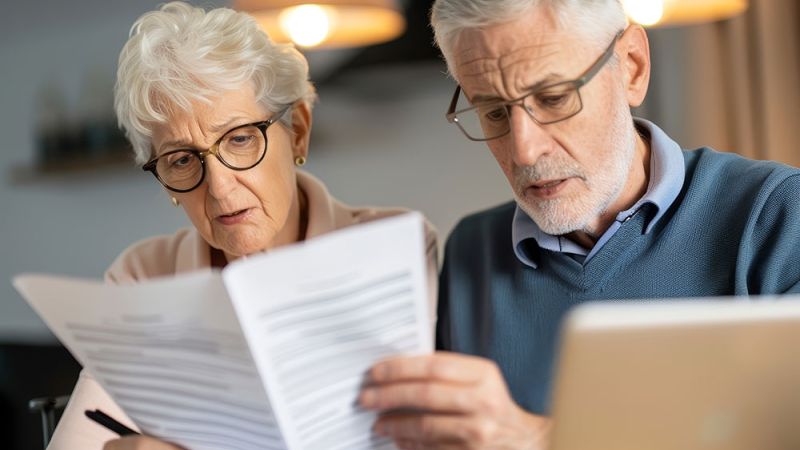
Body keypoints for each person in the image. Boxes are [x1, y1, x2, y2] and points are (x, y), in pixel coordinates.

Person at [357, 0, 800, 448]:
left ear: (631, 67)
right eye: (493, 112)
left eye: (553, 98)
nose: (524, 150)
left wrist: (541, 439)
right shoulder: (472, 248)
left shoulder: (777, 214)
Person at [47, 2, 437, 449]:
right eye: (181, 159)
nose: (219, 187)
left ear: (300, 132)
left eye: (239, 138)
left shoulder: (394, 245)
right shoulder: (143, 275)